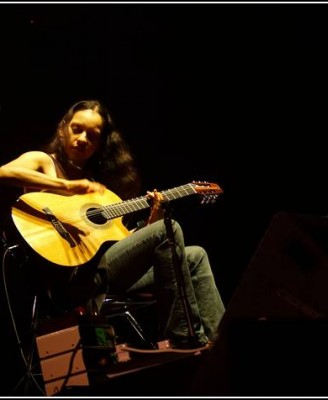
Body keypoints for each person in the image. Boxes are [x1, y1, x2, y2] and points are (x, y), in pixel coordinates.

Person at [0, 99, 225, 351]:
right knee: (170, 230)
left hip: (105, 273)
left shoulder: (99, 191)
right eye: (77, 129)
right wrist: (67, 186)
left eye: (93, 135)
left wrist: (154, 221)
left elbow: (120, 242)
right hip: (72, 282)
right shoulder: (43, 162)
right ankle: (184, 337)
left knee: (195, 255)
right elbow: (3, 173)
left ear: (100, 144)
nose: (83, 138)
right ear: (63, 128)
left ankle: (224, 342)